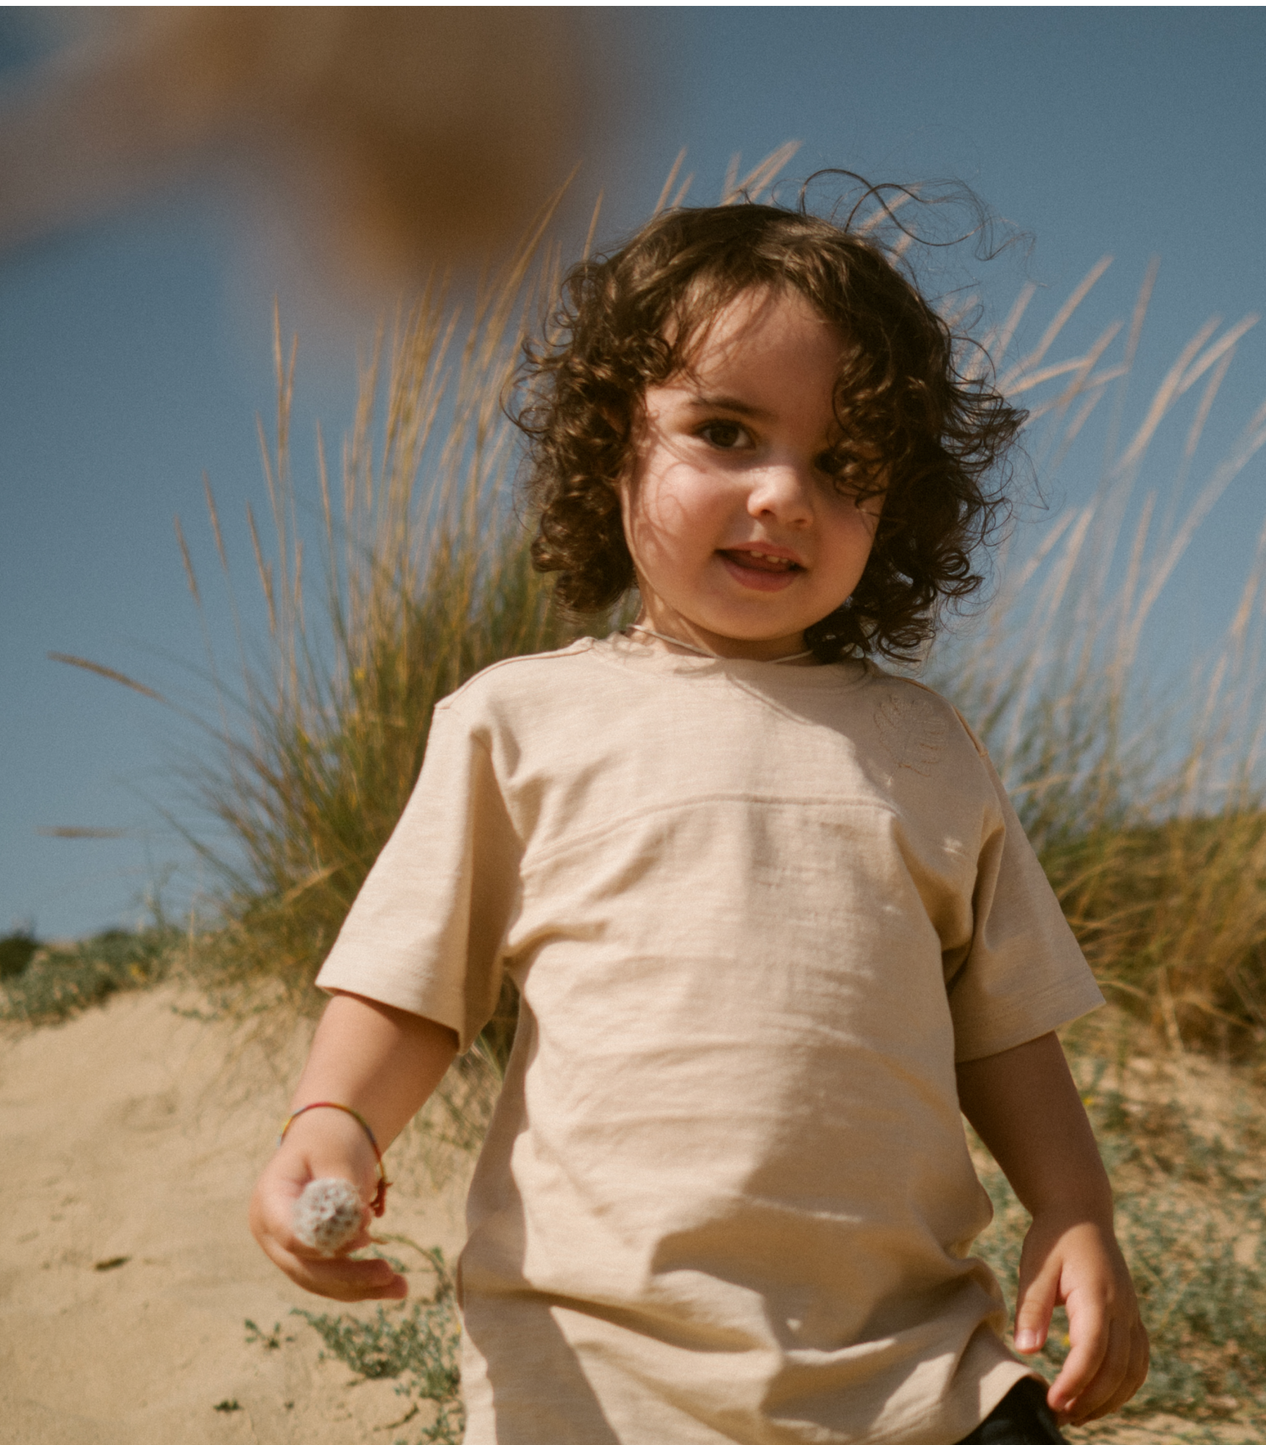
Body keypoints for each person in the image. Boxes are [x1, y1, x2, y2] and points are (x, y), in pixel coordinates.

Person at [250, 195, 1149, 1445]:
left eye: (841, 464)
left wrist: (1073, 1210)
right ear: (607, 445)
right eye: (724, 431)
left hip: (919, 1370)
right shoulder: (519, 721)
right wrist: (332, 1119)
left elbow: (1000, 1028)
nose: (784, 492)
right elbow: (413, 985)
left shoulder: (922, 746)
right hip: (603, 1377)